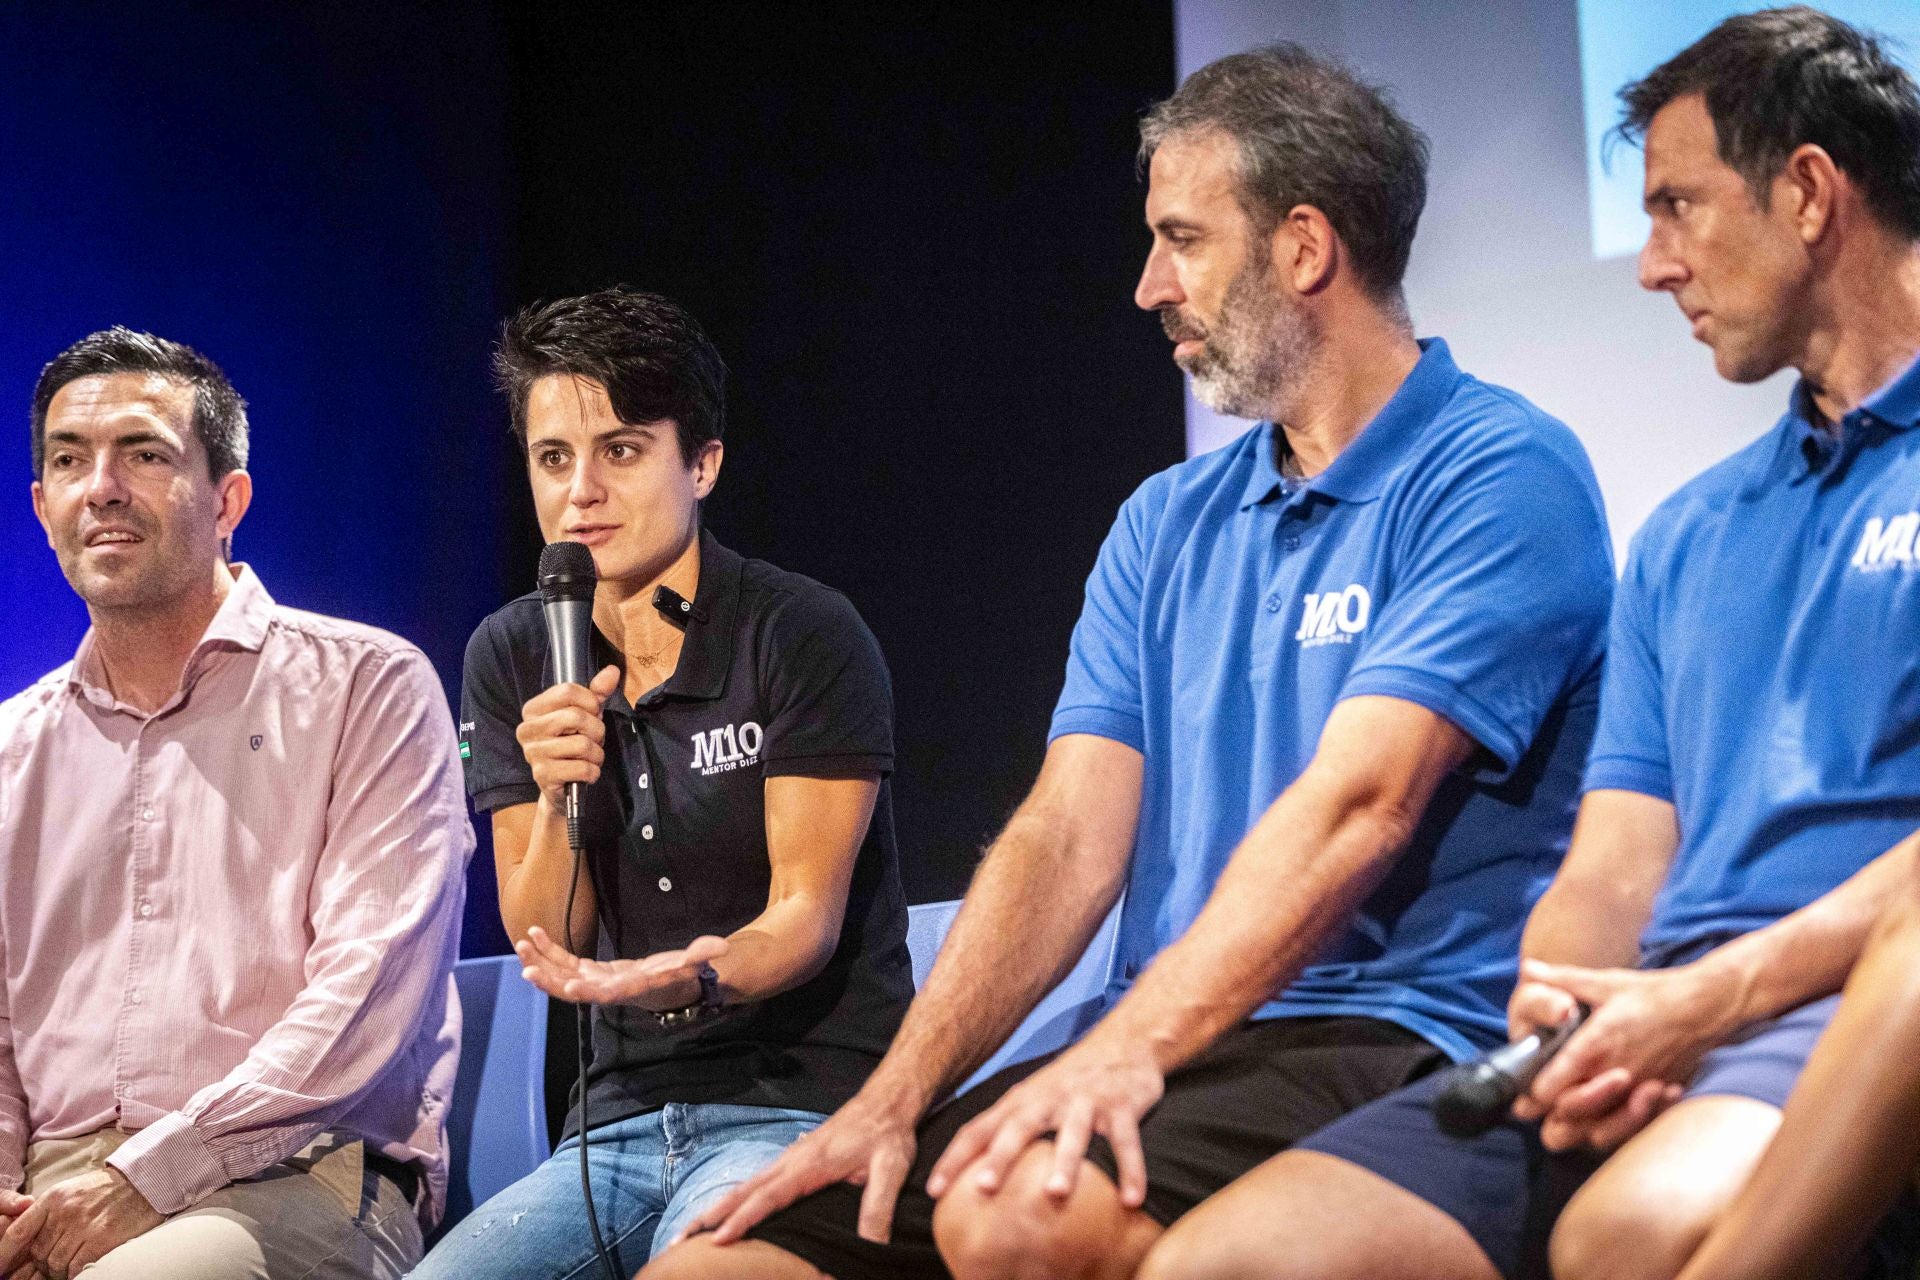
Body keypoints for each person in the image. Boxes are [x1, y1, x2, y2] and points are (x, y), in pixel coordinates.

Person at [640, 43, 1614, 1280]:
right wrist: (896, 1095)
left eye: (1184, 238)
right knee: (716, 1266)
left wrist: (1132, 1045)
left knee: (1018, 1220)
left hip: (1383, 1031)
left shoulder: (1497, 470)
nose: (1149, 283)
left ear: (1305, 248)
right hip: (1171, 1042)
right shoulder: (1166, 519)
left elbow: (1359, 806)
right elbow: (1065, 835)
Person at [1128, 9, 1920, 1280]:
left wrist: (1707, 1002)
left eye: (1678, 206)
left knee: (1627, 1230)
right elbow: (1614, 868)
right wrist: (1564, 1013)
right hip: (1659, 1024)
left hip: (1834, 1009)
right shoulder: (1692, 532)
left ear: (1812, 193)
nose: (1653, 263)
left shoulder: (1506, 468)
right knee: (1231, 1260)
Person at [410, 287, 913, 1278]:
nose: (581, 491)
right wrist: (560, 786)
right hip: (616, 1128)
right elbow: (545, 933)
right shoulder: (515, 653)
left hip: (800, 1098)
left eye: (622, 450)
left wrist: (688, 974)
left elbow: (804, 918)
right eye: (554, 458)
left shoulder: (800, 630)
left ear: (704, 462)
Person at [0, 327, 470, 1280]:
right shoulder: (14, 747)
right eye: (69, 459)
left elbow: (365, 1000)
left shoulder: (367, 688)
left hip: (296, 1173)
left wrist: (149, 1175)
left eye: (144, 454)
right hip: (50, 1182)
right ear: (42, 506)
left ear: (229, 501)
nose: (103, 488)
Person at [1674, 838, 1920, 1280]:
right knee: (1606, 1238)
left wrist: (1697, 1004)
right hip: (1678, 974)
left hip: (1833, 975)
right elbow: (1603, 882)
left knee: (1637, 1233)